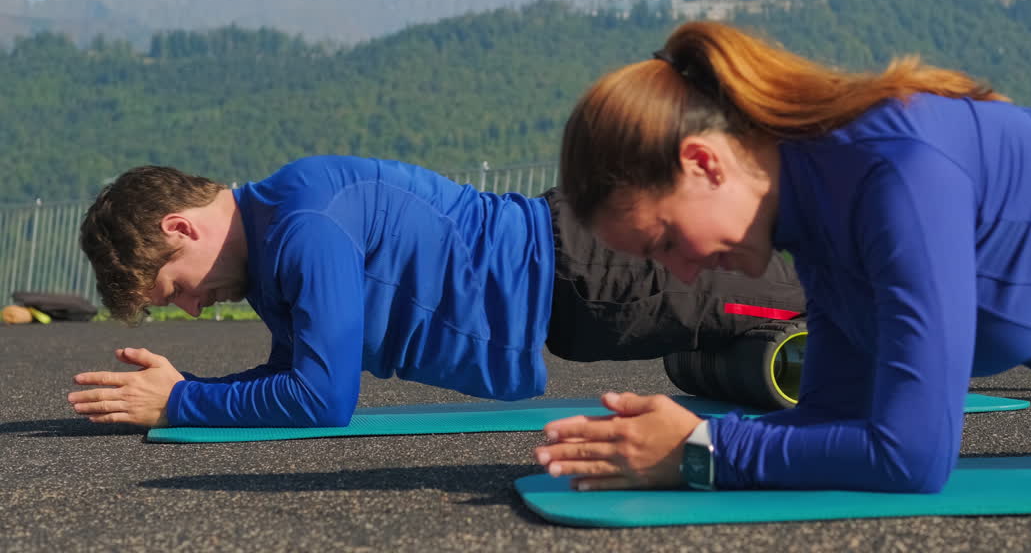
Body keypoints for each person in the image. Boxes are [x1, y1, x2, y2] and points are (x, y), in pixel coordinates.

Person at [533, 20, 1031, 493]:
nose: (684, 274)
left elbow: (912, 454)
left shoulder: (894, 172)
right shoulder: (819, 218)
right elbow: (834, 420)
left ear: (704, 162)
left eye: (665, 242)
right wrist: (661, 448)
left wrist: (702, 448)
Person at [68, 156, 806, 428]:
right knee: (731, 354)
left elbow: (323, 398)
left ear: (181, 226)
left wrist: (183, 402)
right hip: (579, 297)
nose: (192, 307)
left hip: (598, 272)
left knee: (812, 293)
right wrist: (187, 390)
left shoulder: (303, 224)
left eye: (174, 290)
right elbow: (294, 376)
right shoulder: (271, 243)